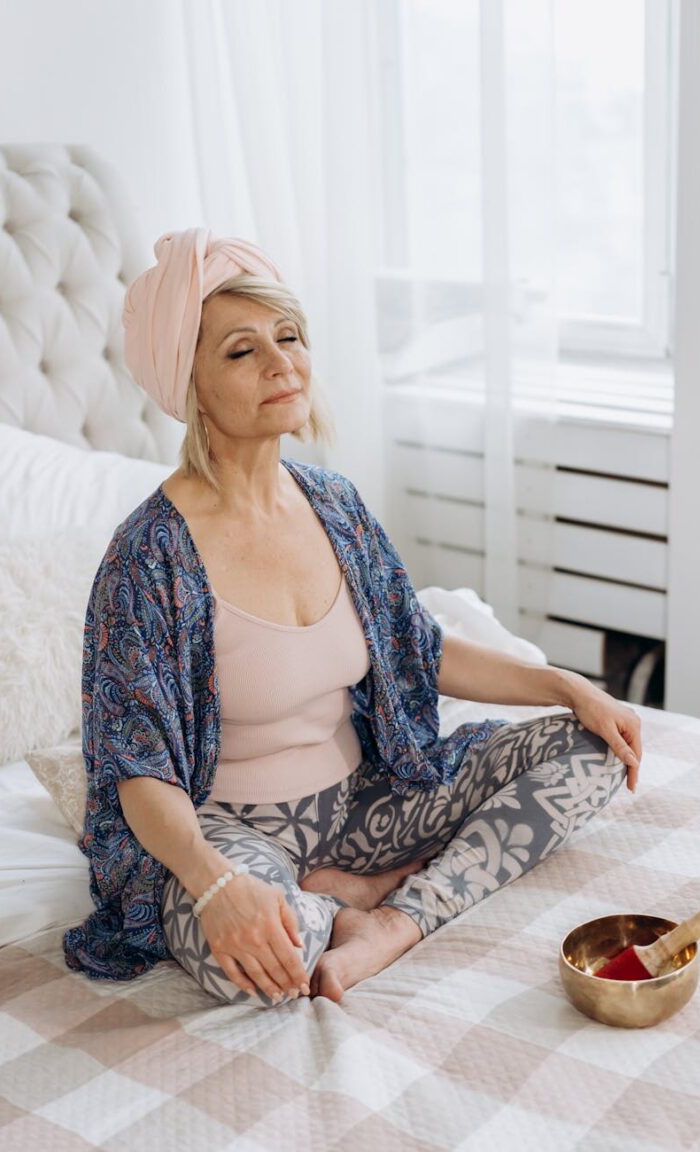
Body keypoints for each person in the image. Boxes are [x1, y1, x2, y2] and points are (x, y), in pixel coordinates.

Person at [63, 228, 642, 1008]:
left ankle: (393, 913)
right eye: (242, 351)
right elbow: (137, 769)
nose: (281, 363)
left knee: (590, 749)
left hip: (367, 802)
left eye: (289, 337)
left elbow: (419, 650)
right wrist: (213, 884)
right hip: (236, 832)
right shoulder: (149, 556)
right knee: (266, 961)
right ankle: (337, 906)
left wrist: (570, 686)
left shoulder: (333, 504)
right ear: (189, 383)